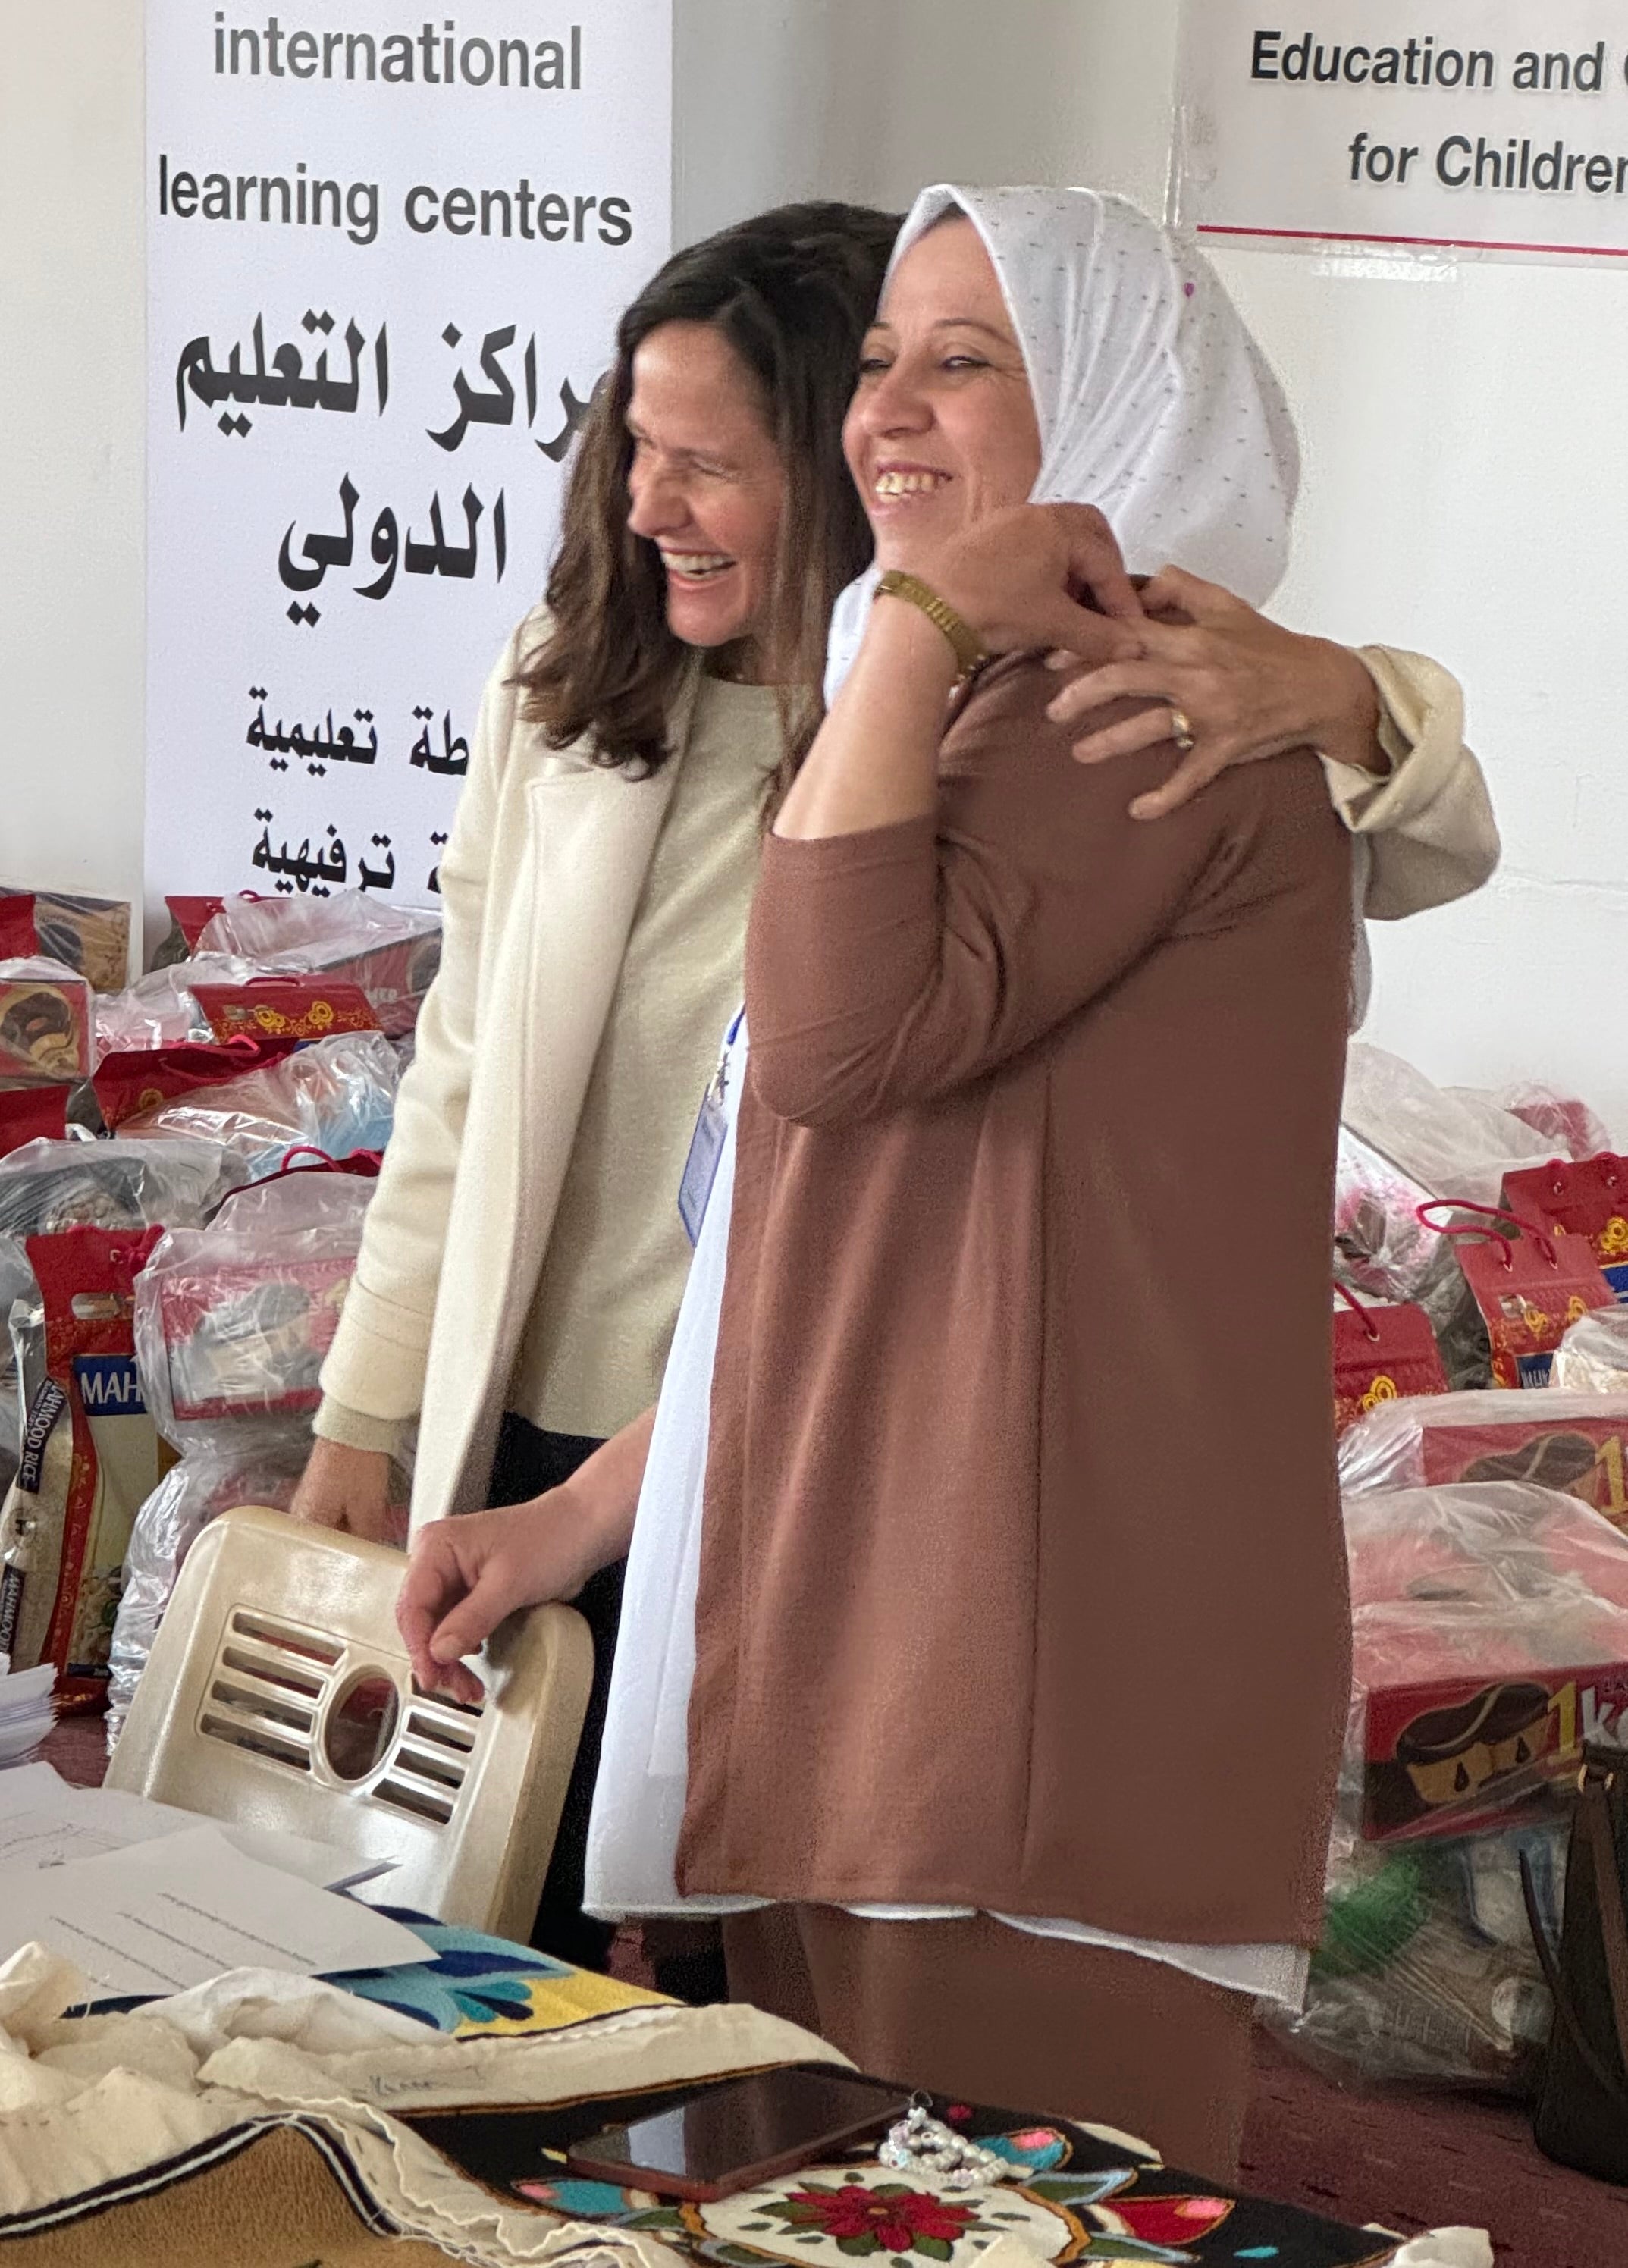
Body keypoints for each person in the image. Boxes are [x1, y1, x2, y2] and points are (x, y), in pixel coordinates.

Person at [336, 196, 1495, 1989]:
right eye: (635, 450)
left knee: (785, 2050)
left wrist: (1359, 696)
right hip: (668, 1455)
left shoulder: (1027, 714)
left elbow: (835, 1059)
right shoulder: (645, 689)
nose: (651, 506)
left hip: (897, 1553)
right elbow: (499, 1082)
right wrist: (408, 1430)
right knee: (529, 1989)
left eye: (710, 463)